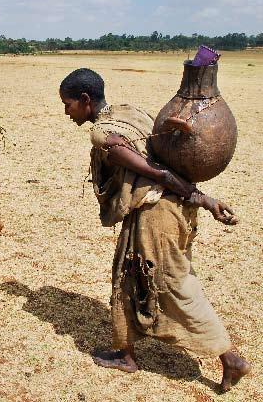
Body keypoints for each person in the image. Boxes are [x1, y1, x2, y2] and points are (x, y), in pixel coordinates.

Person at [59, 69, 250, 391]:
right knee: (129, 276)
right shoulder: (128, 112)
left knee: (173, 284)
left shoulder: (103, 133)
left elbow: (158, 172)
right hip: (163, 211)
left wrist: (203, 197)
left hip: (157, 213)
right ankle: (126, 352)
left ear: (85, 100)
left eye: (68, 104)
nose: (66, 112)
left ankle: (230, 358)